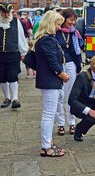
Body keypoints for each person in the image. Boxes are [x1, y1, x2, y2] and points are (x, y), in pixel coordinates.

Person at [35, 10, 69, 157]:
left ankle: (48, 142)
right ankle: (46, 146)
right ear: (50, 24)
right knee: (49, 114)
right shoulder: (47, 40)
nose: (59, 27)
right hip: (50, 81)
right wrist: (63, 75)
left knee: (49, 113)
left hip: (48, 80)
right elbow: (53, 62)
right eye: (57, 24)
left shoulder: (43, 39)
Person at [0, 3, 28, 108]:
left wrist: (23, 52)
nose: (6, 14)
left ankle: (15, 99)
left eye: (8, 12)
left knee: (13, 75)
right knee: (2, 76)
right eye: (4, 12)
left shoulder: (16, 21)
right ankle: (7, 98)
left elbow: (20, 37)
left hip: (13, 53)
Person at [54, 8, 84, 136]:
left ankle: (72, 122)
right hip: (58, 65)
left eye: (74, 20)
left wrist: (78, 67)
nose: (72, 23)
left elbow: (77, 52)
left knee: (71, 95)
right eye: (70, 19)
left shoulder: (74, 33)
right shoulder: (56, 32)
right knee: (59, 96)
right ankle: (60, 124)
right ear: (64, 18)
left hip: (71, 64)